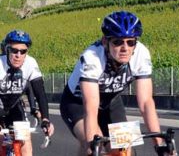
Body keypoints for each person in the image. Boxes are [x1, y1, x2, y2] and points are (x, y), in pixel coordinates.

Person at [60, 10, 173, 156]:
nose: (125, 48)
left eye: (130, 42)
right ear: (105, 41)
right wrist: (92, 146)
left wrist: (160, 145)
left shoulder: (141, 53)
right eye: (117, 42)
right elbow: (91, 107)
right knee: (92, 147)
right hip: (77, 103)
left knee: (125, 150)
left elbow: (146, 102)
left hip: (111, 102)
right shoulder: (92, 57)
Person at [0, 30, 54, 156]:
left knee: (25, 143)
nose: (18, 55)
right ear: (7, 50)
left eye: (22, 51)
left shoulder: (30, 63)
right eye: (14, 50)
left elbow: (39, 93)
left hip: (14, 107)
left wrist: (45, 119)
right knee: (2, 141)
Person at [1, 38, 41, 123]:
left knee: (22, 130)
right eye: (12, 50)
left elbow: (29, 88)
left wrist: (34, 109)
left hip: (15, 104)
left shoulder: (22, 68)